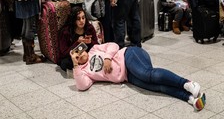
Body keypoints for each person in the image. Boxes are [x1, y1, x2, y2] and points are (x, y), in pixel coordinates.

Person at [70, 42, 206, 111]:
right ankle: (189, 97)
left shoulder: (94, 49)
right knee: (155, 87)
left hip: (129, 55)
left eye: (80, 51)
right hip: (127, 76)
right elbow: (82, 86)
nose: (80, 55)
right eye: (77, 55)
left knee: (147, 75)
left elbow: (113, 45)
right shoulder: (84, 71)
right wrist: (76, 65)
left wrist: (107, 58)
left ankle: (187, 83)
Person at [58, 6, 98, 72]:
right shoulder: (66, 32)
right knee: (65, 63)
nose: (81, 21)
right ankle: (85, 67)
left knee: (98, 56)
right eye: (78, 19)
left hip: (88, 54)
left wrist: (90, 42)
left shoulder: (89, 28)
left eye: (83, 18)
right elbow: (64, 53)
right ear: (73, 20)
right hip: (72, 56)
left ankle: (84, 67)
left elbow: (96, 46)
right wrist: (77, 43)